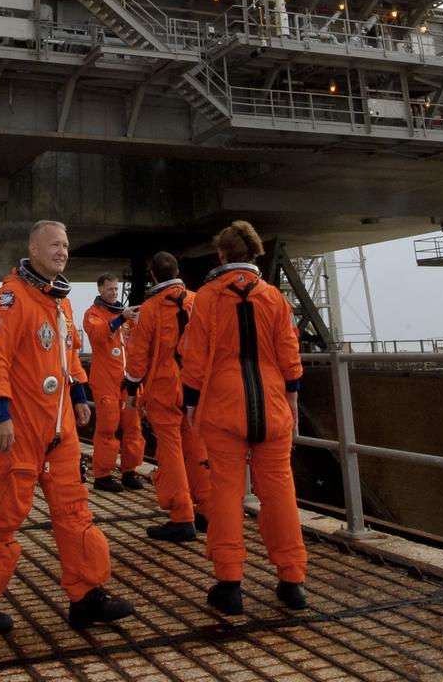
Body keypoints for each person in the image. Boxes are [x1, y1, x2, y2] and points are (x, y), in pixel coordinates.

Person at [0, 220, 136, 634]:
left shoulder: (60, 303)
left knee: (74, 510)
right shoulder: (10, 300)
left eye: (66, 245)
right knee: (4, 514)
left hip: (60, 429)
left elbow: (68, 355)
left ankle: (86, 595)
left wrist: (79, 396)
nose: (62, 251)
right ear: (33, 248)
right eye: (54, 244)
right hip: (17, 429)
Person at [180, 220, 308, 617]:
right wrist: (291, 401)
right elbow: (290, 353)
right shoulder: (273, 297)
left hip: (223, 408)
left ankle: (231, 583)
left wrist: (190, 400)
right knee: (280, 493)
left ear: (221, 254)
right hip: (271, 407)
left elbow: (195, 354)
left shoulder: (206, 297)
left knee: (226, 494)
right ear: (252, 254)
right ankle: (292, 581)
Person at [124, 251, 211, 542]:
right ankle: (208, 510)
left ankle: (181, 516)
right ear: (177, 271)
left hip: (164, 387)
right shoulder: (198, 300)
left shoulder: (149, 310)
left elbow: (137, 357)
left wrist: (133, 388)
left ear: (153, 276)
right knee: (198, 446)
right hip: (195, 385)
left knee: (170, 451)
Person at [83, 273, 145, 492]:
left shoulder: (125, 317)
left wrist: (137, 322)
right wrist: (121, 318)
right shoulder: (93, 314)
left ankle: (129, 471)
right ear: (100, 289)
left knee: (133, 428)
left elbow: (137, 343)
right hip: (105, 382)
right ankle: (103, 475)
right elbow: (99, 334)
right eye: (110, 289)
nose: (114, 293)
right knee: (107, 428)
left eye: (116, 289)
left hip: (127, 382)